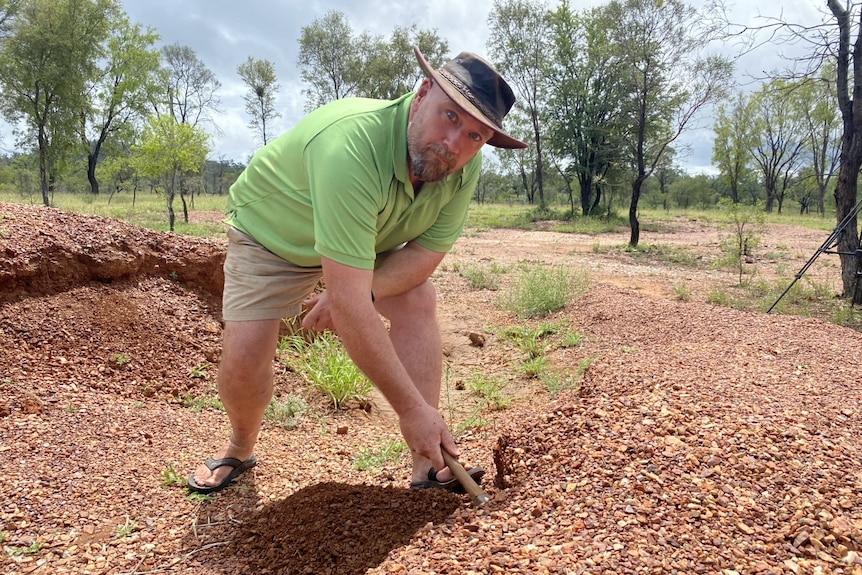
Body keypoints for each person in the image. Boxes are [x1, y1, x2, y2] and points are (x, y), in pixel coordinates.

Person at [188, 46, 526, 495]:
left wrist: (356, 292)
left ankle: (427, 465)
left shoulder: (463, 165)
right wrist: (408, 408)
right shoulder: (351, 145)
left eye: (475, 135)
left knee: (418, 296)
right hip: (275, 236)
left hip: (365, 239)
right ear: (423, 92)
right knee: (246, 360)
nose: (455, 144)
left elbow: (425, 254)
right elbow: (349, 303)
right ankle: (240, 447)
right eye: (450, 116)